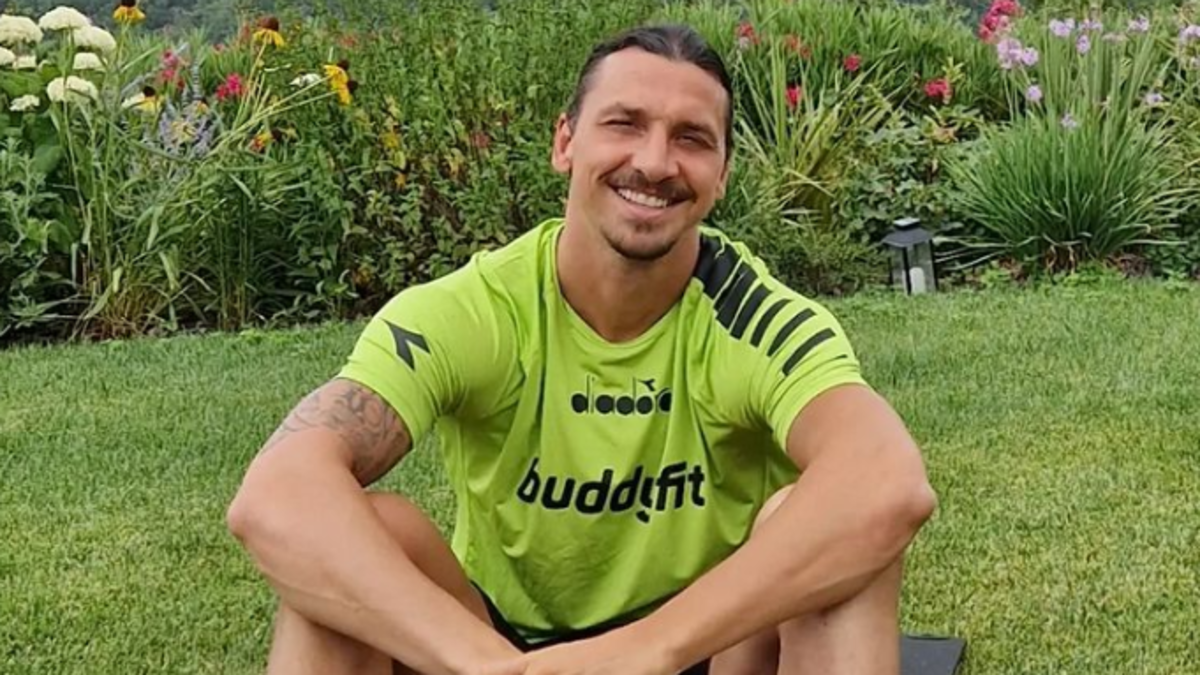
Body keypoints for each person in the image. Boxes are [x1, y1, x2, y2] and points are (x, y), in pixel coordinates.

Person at [226, 23, 936, 675]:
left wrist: (645, 650)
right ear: (565, 142)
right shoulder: (477, 309)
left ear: (722, 174)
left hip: (701, 649)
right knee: (363, 537)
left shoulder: (755, 318)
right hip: (503, 647)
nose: (654, 162)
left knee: (834, 542)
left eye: (692, 138)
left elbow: (886, 481)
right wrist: (491, 666)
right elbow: (277, 494)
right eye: (624, 124)